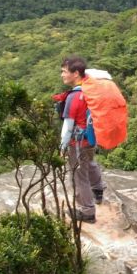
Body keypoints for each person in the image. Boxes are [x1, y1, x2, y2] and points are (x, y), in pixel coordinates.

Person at [58, 56, 104, 223]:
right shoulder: (90, 90)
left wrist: (62, 147)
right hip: (91, 137)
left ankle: (88, 211)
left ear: (75, 73)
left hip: (78, 142)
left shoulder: (73, 97)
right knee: (91, 163)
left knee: (79, 176)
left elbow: (68, 127)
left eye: (64, 71)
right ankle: (98, 191)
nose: (62, 75)